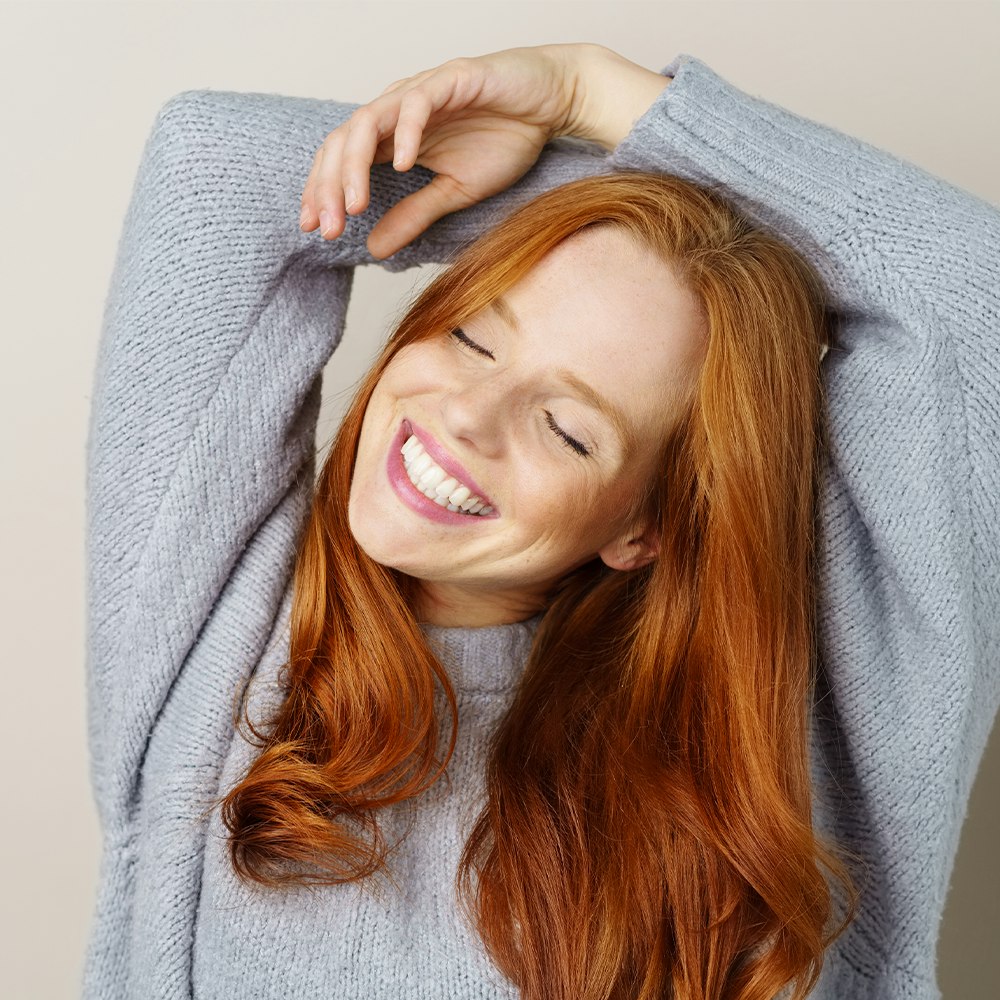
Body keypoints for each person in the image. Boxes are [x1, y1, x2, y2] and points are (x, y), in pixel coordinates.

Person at [82, 42, 999, 1000]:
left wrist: (588, 89)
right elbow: (214, 166)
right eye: (473, 334)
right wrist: (602, 210)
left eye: (566, 428)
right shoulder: (221, 634)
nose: (467, 416)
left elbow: (977, 301)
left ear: (646, 528)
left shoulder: (783, 741)